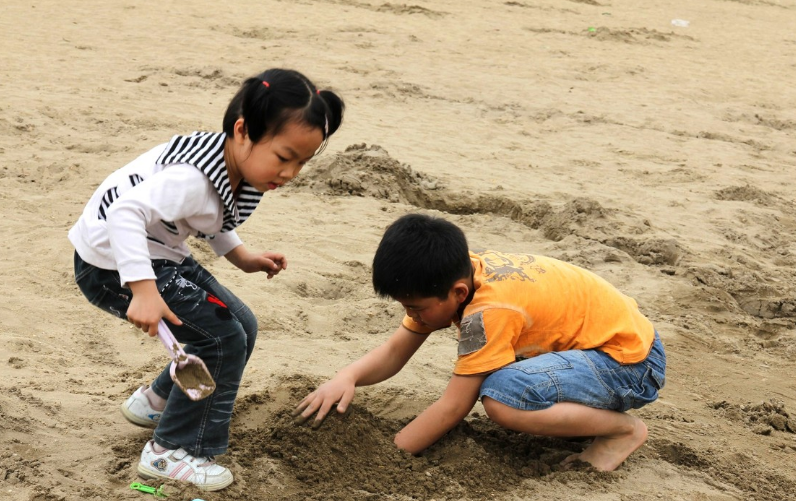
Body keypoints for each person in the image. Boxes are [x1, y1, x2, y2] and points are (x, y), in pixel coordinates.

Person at [69, 68, 344, 491]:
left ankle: (158, 401)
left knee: (242, 324)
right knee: (221, 339)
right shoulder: (191, 180)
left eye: (302, 163)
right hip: (113, 262)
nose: (290, 173)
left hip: (158, 251)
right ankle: (171, 452)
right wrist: (141, 290)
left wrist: (241, 256)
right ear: (242, 131)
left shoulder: (231, 164)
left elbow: (212, 216)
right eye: (284, 156)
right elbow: (125, 212)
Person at [295, 213, 666, 472]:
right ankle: (584, 422)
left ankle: (621, 431)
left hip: (629, 364)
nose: (413, 316)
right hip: (602, 348)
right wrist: (348, 377)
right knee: (508, 383)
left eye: (415, 308)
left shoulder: (489, 310)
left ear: (456, 293)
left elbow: (454, 406)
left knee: (504, 398)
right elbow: (395, 351)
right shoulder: (455, 275)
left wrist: (390, 456)